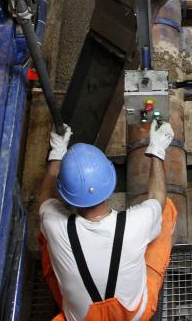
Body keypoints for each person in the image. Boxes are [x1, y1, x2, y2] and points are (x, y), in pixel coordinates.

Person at [38, 120, 176, 321]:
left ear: (65, 192)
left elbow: (45, 200)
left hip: (80, 318)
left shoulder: (54, 224)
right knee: (165, 210)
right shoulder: (135, 224)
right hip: (134, 316)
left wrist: (57, 153)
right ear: (110, 183)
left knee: (45, 237)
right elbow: (157, 198)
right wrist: (157, 151)